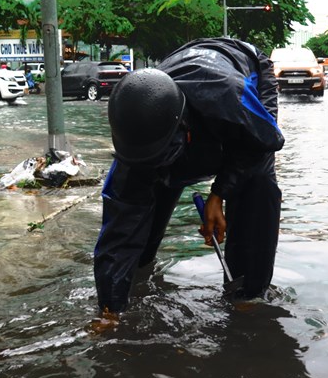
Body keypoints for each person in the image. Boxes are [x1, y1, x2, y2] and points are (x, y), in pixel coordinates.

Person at [93, 38, 285, 314]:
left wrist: (219, 194)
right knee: (134, 215)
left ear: (187, 132)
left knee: (257, 185)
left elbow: (265, 142)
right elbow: (116, 236)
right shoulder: (136, 128)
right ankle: (134, 281)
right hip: (176, 84)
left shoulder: (232, 97)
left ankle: (248, 294)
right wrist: (109, 311)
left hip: (242, 66)